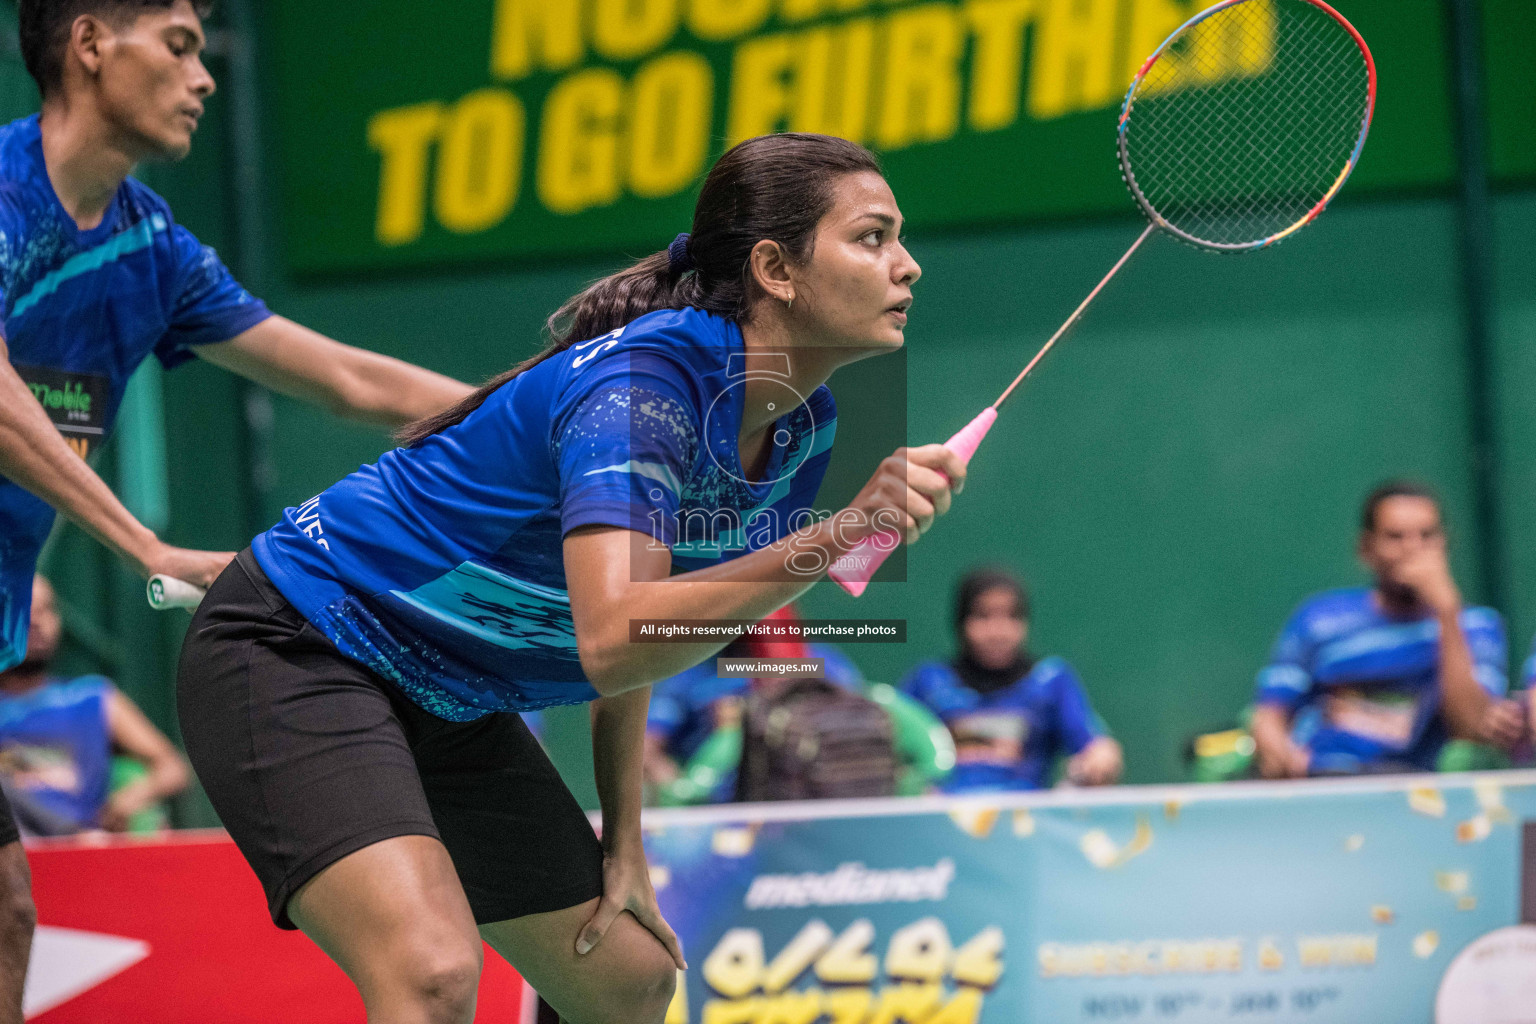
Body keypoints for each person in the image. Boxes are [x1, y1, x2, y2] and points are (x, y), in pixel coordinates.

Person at [176, 132, 962, 1023]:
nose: (908, 266)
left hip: (452, 699)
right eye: (872, 237)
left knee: (627, 981)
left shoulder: (798, 427)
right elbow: (614, 630)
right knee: (429, 971)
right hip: (302, 647)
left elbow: (657, 632)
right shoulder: (647, 387)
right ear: (776, 268)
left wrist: (624, 841)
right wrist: (842, 533)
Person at [0, 2, 471, 1018]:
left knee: (6, 919)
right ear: (88, 45)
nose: (204, 76)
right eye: (176, 46)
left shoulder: (151, 250)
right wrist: (143, 544)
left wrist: (558, 418)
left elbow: (348, 378)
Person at [1251, 481, 1516, 778]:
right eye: (1395, 537)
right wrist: (1281, 753)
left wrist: (1447, 611)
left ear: (1445, 542)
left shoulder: (1476, 627)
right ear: (1366, 548)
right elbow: (1270, 715)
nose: (1413, 549)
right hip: (1319, 782)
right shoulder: (1320, 619)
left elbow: (1471, 727)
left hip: (1409, 790)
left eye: (1427, 536)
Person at [899, 566, 1123, 792]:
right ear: (961, 621)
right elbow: (895, 748)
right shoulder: (929, 681)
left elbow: (1095, 746)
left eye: (1011, 616)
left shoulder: (1050, 680)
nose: (998, 631)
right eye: (983, 616)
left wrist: (1101, 756)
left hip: (1025, 820)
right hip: (941, 820)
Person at [0, 576, 189, 833]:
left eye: (46, 610)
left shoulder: (92, 697)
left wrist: (126, 802)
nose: (35, 621)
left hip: (84, 847)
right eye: (22, 610)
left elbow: (171, 767)